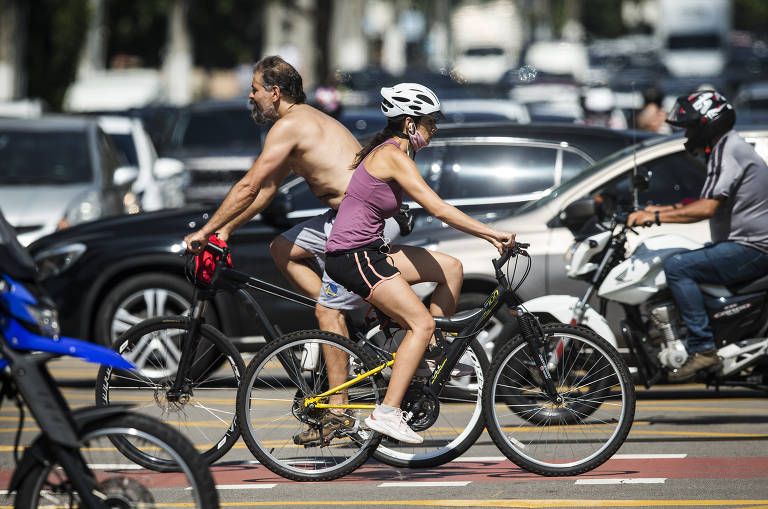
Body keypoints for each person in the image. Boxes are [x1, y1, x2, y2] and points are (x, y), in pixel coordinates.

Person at [183, 56, 462, 444]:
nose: (251, 96)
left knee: (326, 310)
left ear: (275, 93)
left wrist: (206, 230)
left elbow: (248, 185)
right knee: (283, 248)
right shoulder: (305, 122)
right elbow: (265, 190)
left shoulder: (290, 125)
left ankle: (339, 410)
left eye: (255, 90)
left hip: (363, 222)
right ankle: (355, 322)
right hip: (346, 217)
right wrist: (226, 229)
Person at [324, 83, 516, 443]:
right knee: (421, 323)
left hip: (370, 250)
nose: (435, 129)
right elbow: (438, 208)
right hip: (353, 255)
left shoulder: (397, 153)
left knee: (451, 268)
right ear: (410, 124)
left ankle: (425, 358)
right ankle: (387, 413)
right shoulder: (393, 154)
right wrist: (491, 234)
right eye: (431, 122)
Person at [628, 90, 768, 382]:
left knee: (678, 266)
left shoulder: (728, 149)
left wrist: (653, 217)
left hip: (753, 248)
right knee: (681, 256)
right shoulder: (725, 148)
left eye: (691, 127)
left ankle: (703, 348)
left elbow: (706, 208)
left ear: (708, 124)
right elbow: (704, 200)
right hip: (741, 244)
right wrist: (662, 208)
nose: (688, 134)